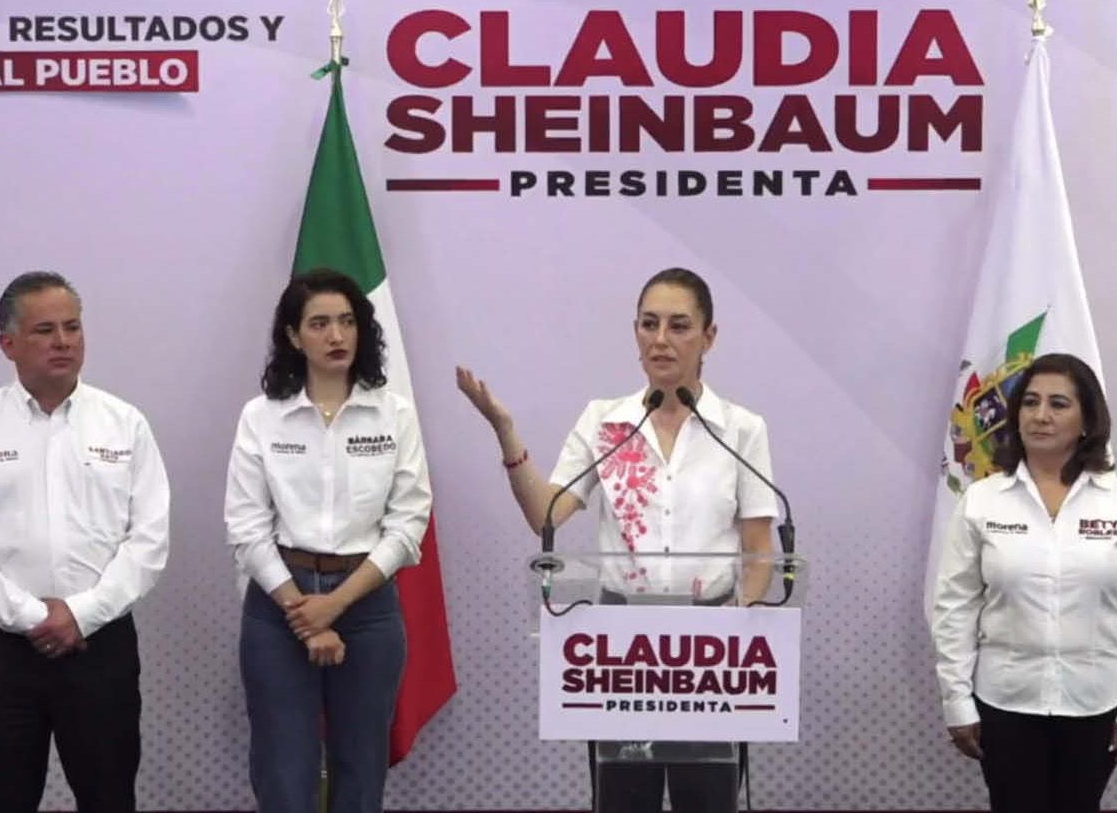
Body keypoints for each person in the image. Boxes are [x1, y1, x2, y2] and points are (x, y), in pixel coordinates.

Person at [457, 267, 778, 812]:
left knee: (707, 800)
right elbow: (545, 514)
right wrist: (505, 430)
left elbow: (760, 551)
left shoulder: (742, 429)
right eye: (649, 324)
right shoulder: (606, 422)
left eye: (679, 325)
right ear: (635, 333)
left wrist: (737, 627)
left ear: (709, 337)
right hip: (623, 650)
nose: (661, 339)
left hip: (710, 651)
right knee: (625, 801)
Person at [0, 271, 170, 813]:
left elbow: (148, 540)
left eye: (73, 327)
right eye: (45, 330)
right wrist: (32, 617)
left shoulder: (125, 424)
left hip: (100, 648)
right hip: (6, 653)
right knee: (1, 800)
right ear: (8, 344)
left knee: (109, 798)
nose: (63, 341)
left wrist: (80, 615)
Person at [224, 269, 431, 813]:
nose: (336, 336)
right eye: (319, 324)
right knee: (283, 768)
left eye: (347, 321)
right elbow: (246, 526)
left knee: (361, 766)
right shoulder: (262, 416)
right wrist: (305, 614)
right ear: (293, 336)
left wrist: (334, 605)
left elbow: (409, 523)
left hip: (367, 602)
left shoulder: (394, 414)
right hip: (279, 605)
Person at [931, 352, 1117, 813]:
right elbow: (955, 609)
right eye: (1030, 402)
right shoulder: (982, 501)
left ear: (1087, 420)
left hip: (1093, 703)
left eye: (1058, 404)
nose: (1041, 415)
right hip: (1005, 701)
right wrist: (956, 700)